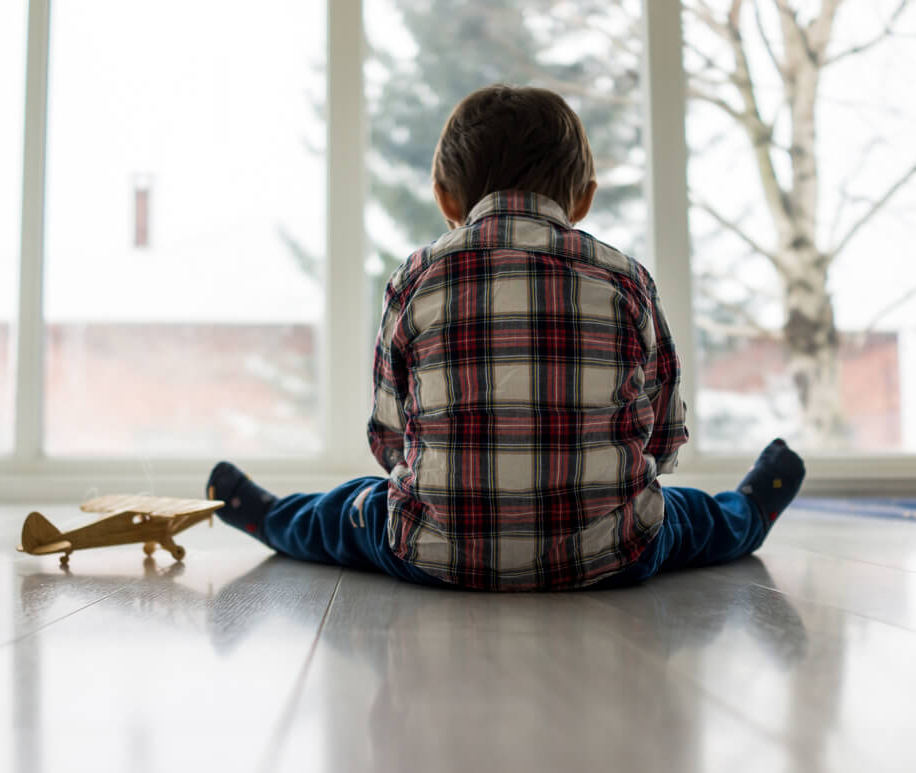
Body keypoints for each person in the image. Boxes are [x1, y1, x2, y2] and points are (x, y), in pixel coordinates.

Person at [206, 84, 805, 591]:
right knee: (694, 517)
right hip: (610, 556)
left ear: (444, 198)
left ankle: (271, 518)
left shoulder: (415, 278)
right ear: (584, 198)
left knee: (345, 510)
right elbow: (666, 435)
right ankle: (752, 510)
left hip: (436, 554)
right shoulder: (627, 279)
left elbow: (388, 439)